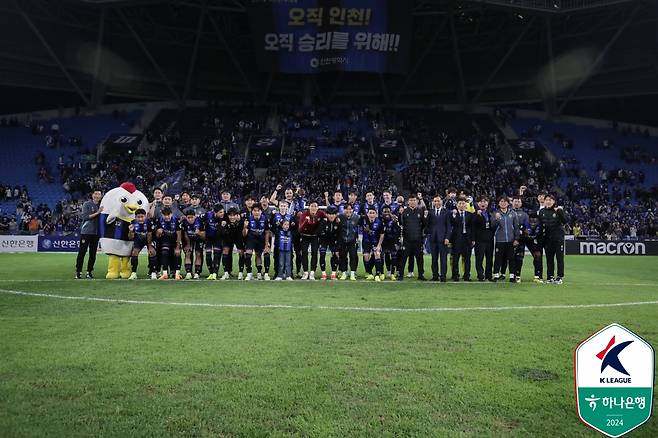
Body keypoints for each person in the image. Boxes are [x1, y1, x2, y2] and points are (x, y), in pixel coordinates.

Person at [539, 194, 568, 284]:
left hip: (558, 238)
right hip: (547, 239)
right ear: (544, 201)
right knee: (549, 258)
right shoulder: (542, 211)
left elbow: (565, 221)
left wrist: (559, 212)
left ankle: (559, 277)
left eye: (550, 200)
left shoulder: (559, 210)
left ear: (554, 201)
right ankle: (550, 277)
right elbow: (540, 225)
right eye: (546, 200)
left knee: (559, 258)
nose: (548, 201)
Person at [397, 194, 427, 281]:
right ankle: (401, 275)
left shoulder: (420, 211)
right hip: (407, 240)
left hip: (418, 239)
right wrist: (399, 214)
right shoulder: (404, 212)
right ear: (408, 202)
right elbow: (400, 223)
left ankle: (421, 275)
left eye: (414, 200)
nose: (412, 202)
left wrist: (425, 217)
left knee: (420, 258)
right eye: (411, 200)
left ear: (417, 202)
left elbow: (424, 224)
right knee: (403, 258)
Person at [492, 196, 520, 283]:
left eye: (505, 201)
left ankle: (512, 276)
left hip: (510, 240)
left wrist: (516, 239)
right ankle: (496, 275)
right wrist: (496, 219)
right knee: (498, 258)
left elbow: (516, 227)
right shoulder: (495, 213)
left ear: (508, 203)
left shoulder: (513, 213)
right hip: (500, 240)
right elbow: (492, 226)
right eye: (501, 201)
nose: (503, 203)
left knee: (511, 259)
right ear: (499, 203)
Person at [75, 189, 103, 279]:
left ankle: (89, 272)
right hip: (86, 232)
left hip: (96, 233)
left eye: (99, 194)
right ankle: (78, 272)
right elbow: (85, 217)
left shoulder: (102, 205)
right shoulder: (87, 204)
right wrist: (98, 212)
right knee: (82, 252)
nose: (97, 195)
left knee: (93, 253)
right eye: (95, 194)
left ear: (101, 196)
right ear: (92, 195)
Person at [297, 201, 326, 280]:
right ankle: (306, 272)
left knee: (314, 253)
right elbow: (300, 229)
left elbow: (326, 218)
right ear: (309, 207)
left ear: (317, 208)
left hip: (314, 236)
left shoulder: (320, 213)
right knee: (304, 253)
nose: (313, 208)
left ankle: (312, 272)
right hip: (305, 236)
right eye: (312, 206)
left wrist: (319, 230)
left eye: (315, 206)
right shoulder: (304, 214)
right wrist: (306, 221)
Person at [449, 197, 475, 281]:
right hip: (456, 239)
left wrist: (473, 239)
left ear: (465, 205)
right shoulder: (453, 214)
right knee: (455, 258)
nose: (461, 205)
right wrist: (453, 215)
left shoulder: (469, 215)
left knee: (467, 259)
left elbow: (471, 228)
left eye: (463, 203)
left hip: (467, 239)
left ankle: (467, 275)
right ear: (457, 205)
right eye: (460, 203)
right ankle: (455, 275)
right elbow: (451, 225)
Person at [242, 204, 271, 280]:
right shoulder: (248, 219)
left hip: (261, 239)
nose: (256, 212)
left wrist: (266, 244)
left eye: (258, 211)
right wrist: (245, 227)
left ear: (261, 211)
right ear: (252, 211)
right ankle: (249, 273)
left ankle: (261, 273)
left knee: (263, 255)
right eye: (254, 211)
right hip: (251, 239)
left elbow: (267, 232)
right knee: (248, 254)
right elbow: (244, 234)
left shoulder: (264, 219)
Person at [427, 195, 452, 282]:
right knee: (434, 259)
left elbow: (449, 226)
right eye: (435, 201)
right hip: (433, 239)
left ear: (441, 202)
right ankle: (435, 275)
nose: (437, 203)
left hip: (443, 239)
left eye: (438, 201)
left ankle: (443, 276)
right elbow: (428, 225)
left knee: (443, 259)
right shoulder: (430, 212)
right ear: (433, 202)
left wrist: (447, 238)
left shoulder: (447, 212)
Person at [128, 208, 156, 280]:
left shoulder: (149, 222)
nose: (140, 219)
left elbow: (150, 235)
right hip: (138, 240)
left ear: (145, 216)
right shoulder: (132, 223)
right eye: (138, 217)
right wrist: (131, 231)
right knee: (134, 253)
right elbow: (131, 238)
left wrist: (149, 246)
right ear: (135, 217)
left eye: (142, 217)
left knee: (152, 252)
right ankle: (133, 273)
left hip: (149, 239)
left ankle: (153, 272)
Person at [156, 207, 182, 280]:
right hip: (165, 239)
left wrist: (177, 246)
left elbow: (179, 234)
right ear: (162, 215)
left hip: (175, 240)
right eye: (165, 215)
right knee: (164, 253)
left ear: (171, 214)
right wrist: (158, 232)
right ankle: (165, 274)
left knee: (177, 253)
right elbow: (157, 235)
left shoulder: (176, 220)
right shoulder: (159, 220)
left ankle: (177, 273)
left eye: (168, 215)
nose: (167, 216)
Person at [473, 196, 494, 282]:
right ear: (478, 203)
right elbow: (473, 226)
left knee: (489, 259)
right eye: (481, 201)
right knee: (479, 258)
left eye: (485, 201)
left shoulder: (491, 213)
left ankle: (489, 275)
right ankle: (480, 275)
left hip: (489, 239)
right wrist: (477, 216)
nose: (483, 203)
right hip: (479, 239)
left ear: (488, 203)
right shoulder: (474, 214)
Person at [361, 207, 385, 281]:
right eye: (370, 213)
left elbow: (382, 235)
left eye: (373, 213)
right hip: (366, 242)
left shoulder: (379, 222)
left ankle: (377, 274)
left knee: (377, 253)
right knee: (366, 256)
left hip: (376, 242)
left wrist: (379, 245)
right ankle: (370, 273)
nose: (371, 214)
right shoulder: (363, 221)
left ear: (376, 214)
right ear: (367, 214)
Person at [337, 203, 360, 280]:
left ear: (352, 210)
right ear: (344, 210)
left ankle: (353, 273)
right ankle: (344, 272)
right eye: (347, 209)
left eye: (350, 209)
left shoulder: (356, 217)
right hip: (342, 240)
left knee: (353, 256)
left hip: (352, 240)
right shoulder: (340, 217)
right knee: (343, 256)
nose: (348, 210)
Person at [181, 209, 206, 279]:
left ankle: (197, 273)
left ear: (195, 217)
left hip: (199, 239)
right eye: (188, 218)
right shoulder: (184, 222)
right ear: (186, 217)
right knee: (188, 253)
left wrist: (199, 233)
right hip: (189, 239)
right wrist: (188, 244)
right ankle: (188, 272)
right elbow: (185, 233)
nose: (190, 219)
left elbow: (204, 234)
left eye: (192, 217)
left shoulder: (200, 221)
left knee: (198, 254)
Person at [220, 208, 244, 280]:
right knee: (225, 251)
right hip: (228, 237)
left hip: (238, 238)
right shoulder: (225, 222)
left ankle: (241, 273)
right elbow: (222, 233)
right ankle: (226, 273)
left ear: (237, 216)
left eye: (234, 215)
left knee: (241, 252)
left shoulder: (241, 222)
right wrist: (223, 227)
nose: (232, 217)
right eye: (230, 215)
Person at [318, 206, 340, 280]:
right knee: (322, 254)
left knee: (335, 255)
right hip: (323, 241)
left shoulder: (338, 222)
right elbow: (320, 232)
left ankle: (333, 273)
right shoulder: (323, 222)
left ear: (336, 214)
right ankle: (323, 273)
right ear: (326, 214)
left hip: (333, 241)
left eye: (333, 214)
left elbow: (339, 234)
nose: (331, 216)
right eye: (330, 214)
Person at [512, 195, 530, 283]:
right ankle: (511, 274)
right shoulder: (508, 212)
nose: (516, 203)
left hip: (521, 240)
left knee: (519, 258)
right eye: (515, 201)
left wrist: (524, 232)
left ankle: (518, 275)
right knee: (509, 258)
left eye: (518, 201)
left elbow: (527, 228)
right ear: (512, 202)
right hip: (509, 239)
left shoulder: (524, 215)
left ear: (521, 203)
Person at [203, 204, 224, 280]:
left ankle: (215, 273)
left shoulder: (224, 218)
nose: (222, 214)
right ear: (215, 212)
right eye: (220, 212)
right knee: (208, 255)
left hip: (218, 238)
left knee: (216, 255)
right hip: (208, 237)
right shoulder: (207, 215)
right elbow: (201, 221)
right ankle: (211, 273)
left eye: (223, 212)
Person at [380, 206, 401, 280]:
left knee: (394, 257)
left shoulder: (394, 221)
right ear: (382, 212)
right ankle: (382, 273)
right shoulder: (380, 221)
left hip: (392, 241)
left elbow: (398, 231)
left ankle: (392, 273)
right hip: (383, 242)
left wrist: (397, 242)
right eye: (385, 212)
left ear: (390, 212)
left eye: (388, 211)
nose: (386, 213)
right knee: (382, 257)